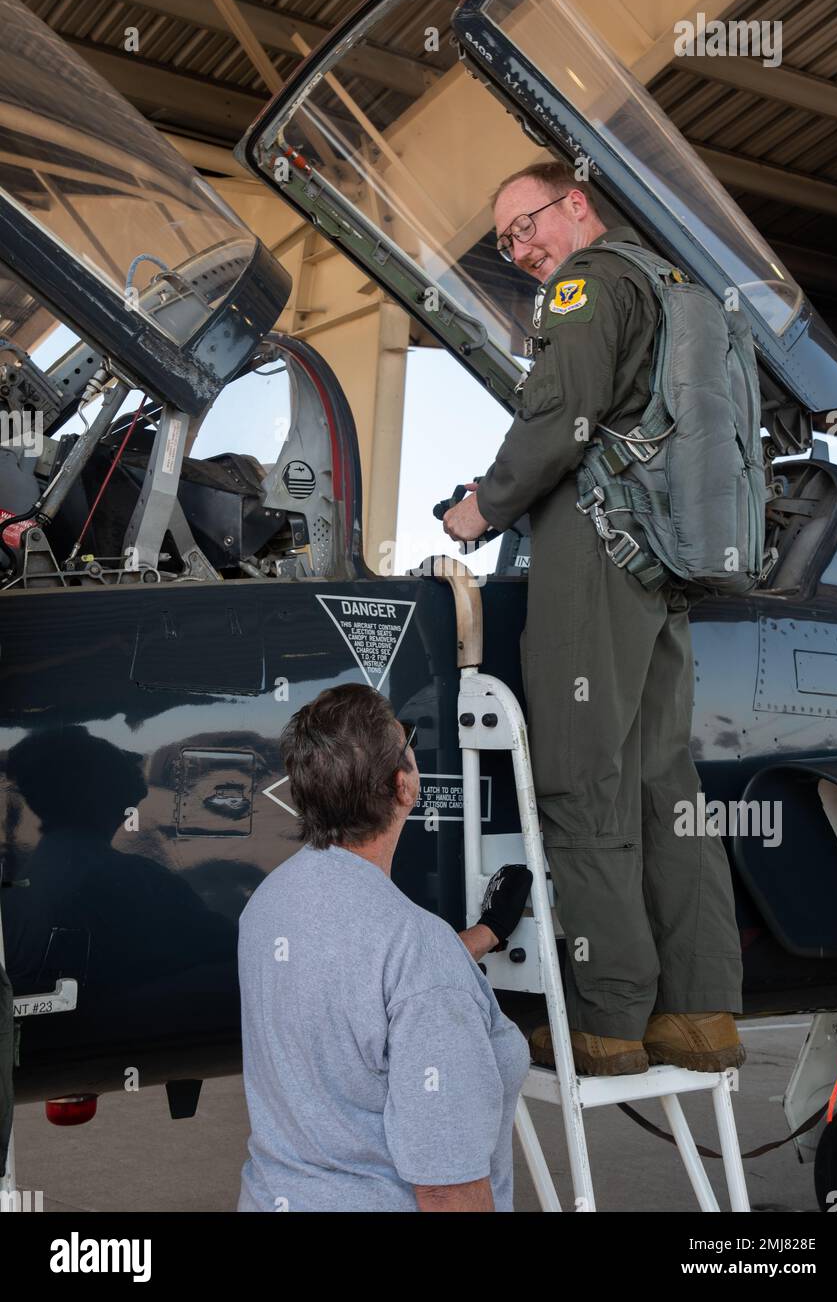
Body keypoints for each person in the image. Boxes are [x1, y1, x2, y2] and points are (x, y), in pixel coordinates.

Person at [443, 160, 745, 1077]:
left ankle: (609, 1021)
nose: (522, 249)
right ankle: (699, 1015)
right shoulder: (665, 282)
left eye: (527, 224)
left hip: (595, 564)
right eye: (506, 241)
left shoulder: (585, 286)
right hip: (658, 566)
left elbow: (557, 417)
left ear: (577, 205)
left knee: (580, 782)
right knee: (666, 786)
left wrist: (480, 509)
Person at [237, 682, 531, 1212]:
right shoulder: (416, 949)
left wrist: (486, 933)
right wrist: (445, 954)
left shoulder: (268, 905)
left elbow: (355, 980)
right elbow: (447, 1188)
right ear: (404, 786)